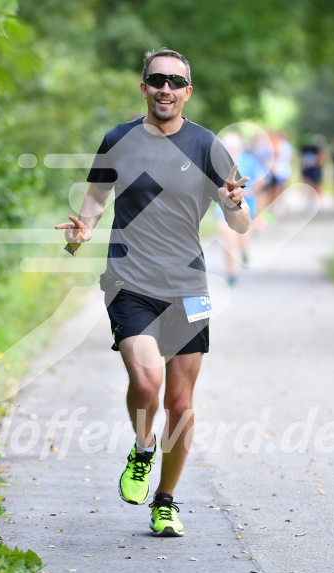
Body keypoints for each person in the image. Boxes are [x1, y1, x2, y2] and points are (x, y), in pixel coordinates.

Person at [55, 48, 250, 537]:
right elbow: (96, 200)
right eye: (156, 79)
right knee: (146, 383)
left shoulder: (207, 146)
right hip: (130, 281)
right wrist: (80, 233)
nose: (166, 88)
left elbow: (241, 223)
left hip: (188, 287)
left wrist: (234, 205)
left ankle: (165, 501)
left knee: (181, 406)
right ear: (143, 86)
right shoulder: (119, 140)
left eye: (175, 82)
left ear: (188, 91)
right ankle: (142, 452)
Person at [215, 132, 264, 285]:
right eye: (227, 146)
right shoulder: (218, 162)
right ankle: (231, 273)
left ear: (240, 146)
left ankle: (243, 251)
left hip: (246, 204)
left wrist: (249, 191)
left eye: (233, 146)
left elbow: (261, 181)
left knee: (242, 238)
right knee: (228, 240)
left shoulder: (250, 161)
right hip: (223, 205)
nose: (231, 149)